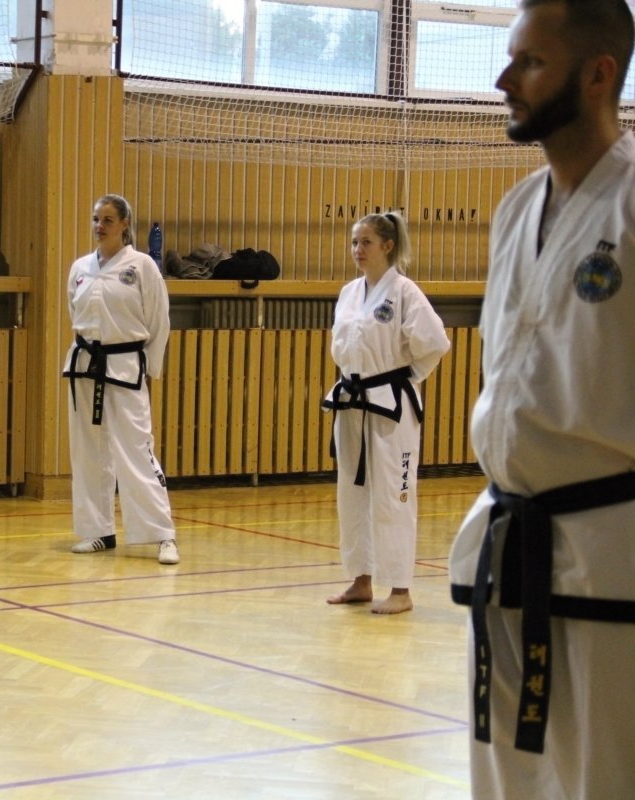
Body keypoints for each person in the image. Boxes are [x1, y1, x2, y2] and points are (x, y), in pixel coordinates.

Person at [448, 1, 635, 796]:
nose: (504, 80)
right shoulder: (515, 208)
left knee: (602, 779)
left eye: (530, 62)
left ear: (598, 75)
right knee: (505, 779)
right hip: (508, 543)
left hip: (609, 554)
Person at [322, 213, 449, 614]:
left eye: (366, 243)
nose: (357, 250)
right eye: (354, 242)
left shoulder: (405, 292)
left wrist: (405, 379)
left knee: (395, 495)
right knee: (351, 494)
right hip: (351, 400)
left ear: (388, 246)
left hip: (391, 405)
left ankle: (400, 589)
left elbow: (435, 343)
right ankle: (361, 580)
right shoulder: (349, 293)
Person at [62, 194, 179, 566]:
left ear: (125, 223)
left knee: (137, 450)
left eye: (108, 220)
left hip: (126, 366)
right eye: (96, 219)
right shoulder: (80, 268)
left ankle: (162, 534)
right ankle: (98, 531)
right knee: (88, 452)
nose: (100, 226)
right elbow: (75, 314)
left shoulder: (142, 266)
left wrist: (152, 369)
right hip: (85, 366)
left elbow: (159, 321)